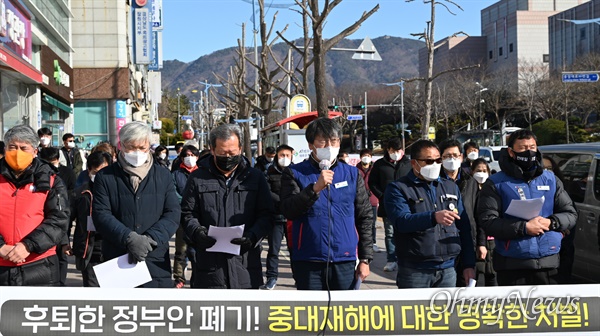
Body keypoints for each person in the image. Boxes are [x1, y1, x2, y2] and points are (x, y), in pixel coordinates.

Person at [280, 117, 373, 290]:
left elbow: (365, 216)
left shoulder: (352, 174)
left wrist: (365, 258)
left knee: (344, 314)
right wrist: (314, 189)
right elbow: (289, 210)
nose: (329, 147)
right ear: (311, 145)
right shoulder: (294, 173)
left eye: (334, 141)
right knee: (310, 315)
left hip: (344, 258)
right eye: (323, 142)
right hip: (308, 258)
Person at [477, 130, 578, 285]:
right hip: (512, 264)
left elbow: (570, 214)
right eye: (523, 148)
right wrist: (524, 228)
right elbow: (487, 222)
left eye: (532, 147)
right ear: (511, 152)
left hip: (549, 262)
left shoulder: (550, 179)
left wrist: (552, 223)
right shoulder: (495, 183)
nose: (529, 152)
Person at [181, 124, 273, 289]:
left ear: (240, 149)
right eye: (223, 153)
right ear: (212, 150)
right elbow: (187, 213)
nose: (228, 157)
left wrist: (253, 236)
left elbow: (266, 214)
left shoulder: (255, 177)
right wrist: (197, 232)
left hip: (245, 265)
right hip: (209, 267)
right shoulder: (197, 178)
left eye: (232, 153)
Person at [92, 122, 181, 288]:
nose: (138, 152)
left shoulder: (163, 175)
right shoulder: (105, 177)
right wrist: (129, 238)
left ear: (149, 146)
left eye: (142, 147)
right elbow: (101, 214)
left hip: (154, 257)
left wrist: (150, 239)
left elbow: (173, 213)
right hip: (118, 258)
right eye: (131, 148)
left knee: (155, 312)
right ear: (121, 146)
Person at [384, 139, 476, 288]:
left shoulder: (450, 187)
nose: (434, 165)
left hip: (448, 269)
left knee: (445, 311)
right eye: (428, 161)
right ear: (414, 163)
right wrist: (433, 217)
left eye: (438, 160)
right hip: (415, 270)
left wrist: (468, 264)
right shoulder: (398, 188)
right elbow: (401, 221)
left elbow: (464, 227)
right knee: (414, 312)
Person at [0, 125, 70, 286]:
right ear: (5, 149)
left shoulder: (52, 180)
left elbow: (59, 219)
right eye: (12, 147)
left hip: (39, 264)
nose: (18, 153)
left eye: (24, 148)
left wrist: (28, 245)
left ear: (35, 151)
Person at [368, 137, 411, 272]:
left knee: (406, 233)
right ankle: (391, 259)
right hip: (388, 205)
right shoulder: (380, 164)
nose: (396, 153)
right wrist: (381, 195)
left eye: (398, 150)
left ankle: (405, 259)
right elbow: (372, 182)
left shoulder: (408, 163)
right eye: (393, 150)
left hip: (406, 205)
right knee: (390, 233)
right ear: (388, 150)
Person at [72, 151, 112, 287]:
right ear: (89, 170)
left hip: (112, 249)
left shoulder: (118, 192)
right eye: (96, 172)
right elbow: (67, 218)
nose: (100, 176)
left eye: (104, 171)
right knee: (92, 291)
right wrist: (64, 241)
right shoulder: (81, 193)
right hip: (89, 249)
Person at [39, 147, 77, 286]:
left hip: (62, 215)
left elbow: (73, 192)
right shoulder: (36, 173)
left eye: (53, 162)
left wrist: (69, 214)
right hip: (42, 220)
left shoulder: (66, 172)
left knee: (62, 251)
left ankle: (61, 282)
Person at [262, 144, 294, 290]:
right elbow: (267, 192)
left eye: (287, 155)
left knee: (294, 250)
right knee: (274, 250)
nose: (285, 158)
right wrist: (282, 202)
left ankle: (298, 277)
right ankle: (271, 277)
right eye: (282, 155)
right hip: (276, 217)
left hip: (293, 218)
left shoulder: (296, 171)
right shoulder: (269, 172)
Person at [464, 158, 497, 286]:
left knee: (492, 276)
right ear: (472, 172)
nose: (481, 174)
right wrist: (480, 243)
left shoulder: (492, 189)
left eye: (484, 171)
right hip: (476, 241)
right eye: (478, 171)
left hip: (492, 241)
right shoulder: (469, 190)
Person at [542, 155, 574, 284]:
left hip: (562, 248)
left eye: (550, 168)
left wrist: (559, 229)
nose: (547, 171)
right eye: (543, 168)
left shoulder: (561, 191)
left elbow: (570, 216)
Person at [172, 145, 201, 288]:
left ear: (197, 156)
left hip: (199, 218)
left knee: (197, 250)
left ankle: (197, 277)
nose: (189, 157)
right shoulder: (176, 174)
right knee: (181, 250)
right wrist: (185, 202)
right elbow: (173, 193)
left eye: (192, 154)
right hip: (182, 217)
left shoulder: (202, 173)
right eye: (186, 155)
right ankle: (179, 278)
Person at [357, 148, 381, 253]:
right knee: (359, 222)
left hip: (372, 200)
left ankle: (373, 242)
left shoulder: (375, 169)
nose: (366, 157)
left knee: (372, 223)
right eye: (364, 155)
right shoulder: (355, 169)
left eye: (368, 155)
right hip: (359, 200)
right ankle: (360, 242)